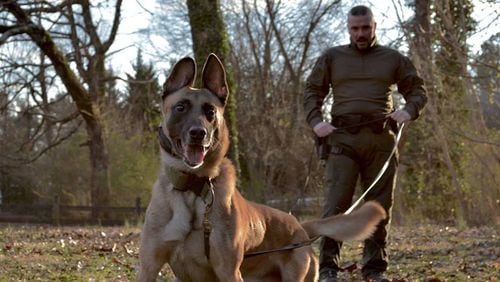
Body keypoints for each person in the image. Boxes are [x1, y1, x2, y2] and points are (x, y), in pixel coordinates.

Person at [303, 5, 427, 282]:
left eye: (365, 28)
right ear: (349, 29)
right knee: (336, 206)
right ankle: (327, 269)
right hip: (342, 140)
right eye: (355, 28)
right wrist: (316, 122)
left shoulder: (393, 58)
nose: (360, 33)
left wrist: (409, 110)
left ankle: (374, 270)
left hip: (380, 140)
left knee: (379, 207)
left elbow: (417, 89)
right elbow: (312, 91)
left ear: (374, 26)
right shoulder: (332, 57)